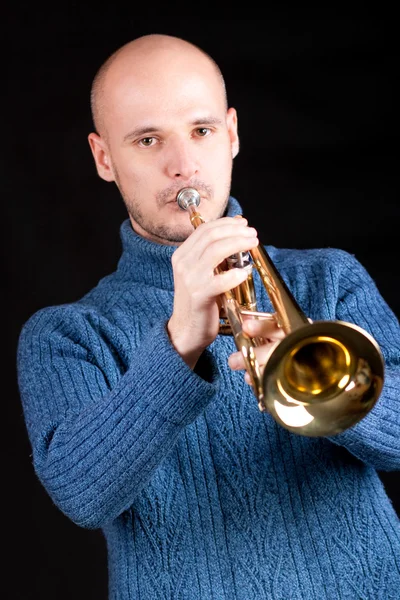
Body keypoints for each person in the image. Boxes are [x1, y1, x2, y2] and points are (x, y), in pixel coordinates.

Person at [16, 33, 400, 600]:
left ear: (232, 134)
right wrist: (177, 347)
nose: (183, 166)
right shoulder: (66, 334)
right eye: (148, 140)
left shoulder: (330, 279)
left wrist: (329, 391)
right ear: (104, 158)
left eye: (201, 131)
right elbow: (81, 495)